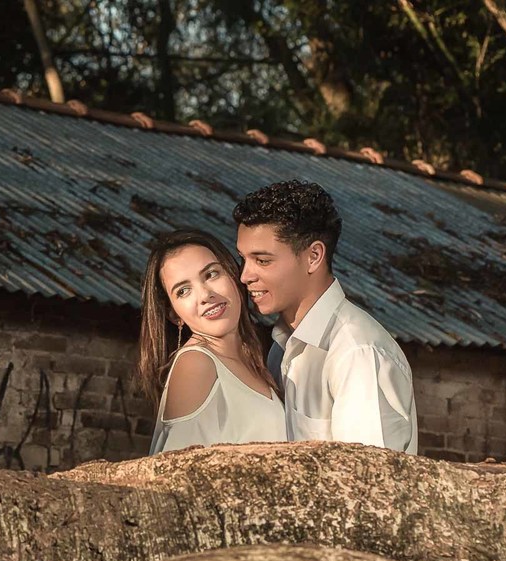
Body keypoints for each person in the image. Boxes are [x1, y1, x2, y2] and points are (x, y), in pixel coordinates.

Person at [233, 179, 418, 453]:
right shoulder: (281, 348)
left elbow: (368, 483)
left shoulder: (357, 353)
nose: (245, 276)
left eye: (262, 261)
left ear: (314, 256)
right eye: (243, 259)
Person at [137, 229, 286, 455]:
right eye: (184, 291)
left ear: (234, 275)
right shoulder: (196, 364)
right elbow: (173, 476)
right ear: (174, 314)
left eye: (211, 274)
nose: (205, 295)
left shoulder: (255, 362)